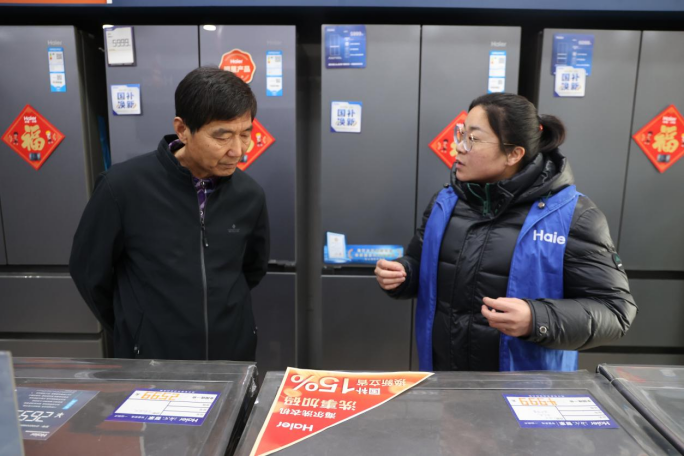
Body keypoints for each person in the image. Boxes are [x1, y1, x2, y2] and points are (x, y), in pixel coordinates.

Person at [375, 93, 636, 372]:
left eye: (472, 139)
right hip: (445, 381)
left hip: (526, 391)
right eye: (461, 135)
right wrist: (404, 274)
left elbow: (615, 311)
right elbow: (421, 266)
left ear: (514, 154)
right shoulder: (445, 203)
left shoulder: (574, 216)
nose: (459, 148)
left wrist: (536, 318)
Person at [70, 67, 270, 361]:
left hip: (232, 357)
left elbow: (253, 269)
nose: (238, 150)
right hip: (154, 362)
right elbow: (89, 272)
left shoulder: (249, 195)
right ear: (182, 130)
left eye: (245, 134)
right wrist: (135, 330)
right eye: (223, 136)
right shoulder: (122, 188)